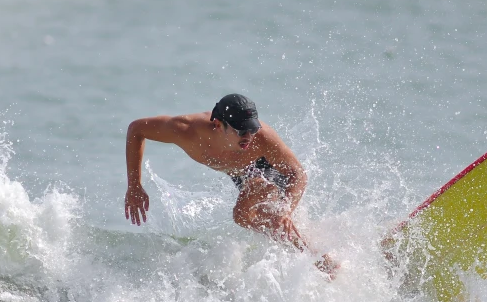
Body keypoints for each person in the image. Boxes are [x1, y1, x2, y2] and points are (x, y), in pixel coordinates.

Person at [124, 93, 339, 278]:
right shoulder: (185, 130)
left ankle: (320, 262)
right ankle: (315, 260)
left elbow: (297, 174)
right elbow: (136, 129)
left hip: (264, 171)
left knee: (266, 218)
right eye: (241, 131)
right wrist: (134, 185)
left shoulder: (262, 138)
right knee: (249, 221)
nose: (248, 137)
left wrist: (286, 208)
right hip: (241, 174)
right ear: (218, 125)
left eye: (251, 130)